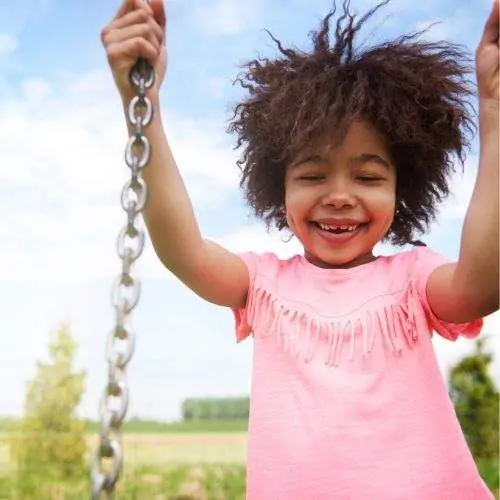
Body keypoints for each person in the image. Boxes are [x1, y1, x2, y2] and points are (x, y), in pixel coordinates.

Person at [101, 0, 499, 498]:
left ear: (403, 190)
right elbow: (185, 251)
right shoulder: (264, 284)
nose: (339, 195)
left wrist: (495, 115)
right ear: (278, 187)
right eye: (312, 175)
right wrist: (144, 108)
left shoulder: (413, 279)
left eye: (369, 176)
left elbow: (482, 285)